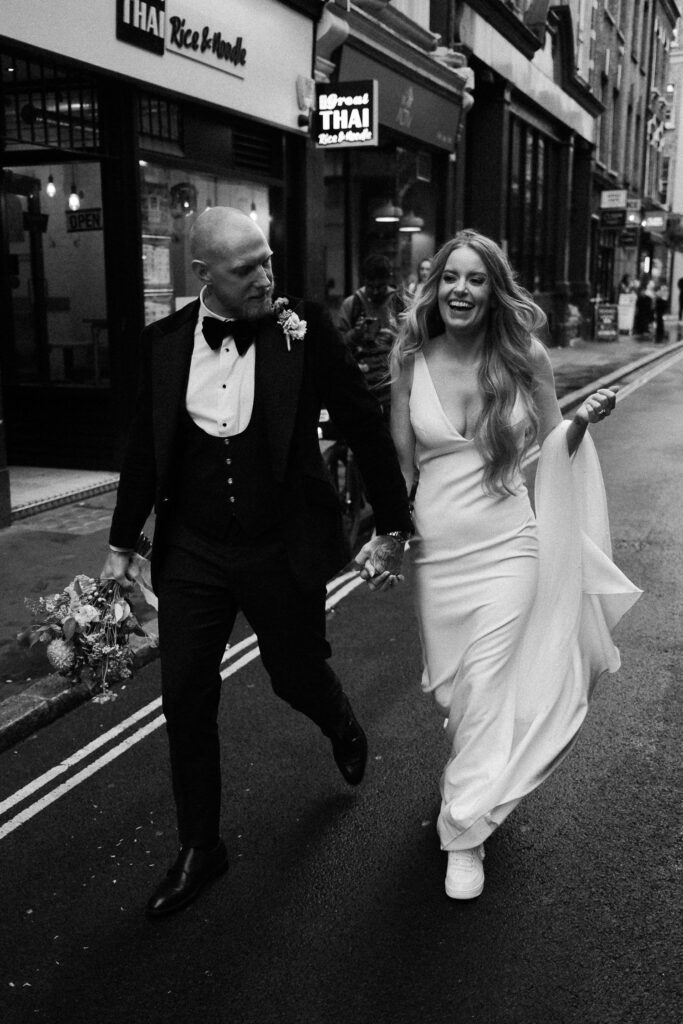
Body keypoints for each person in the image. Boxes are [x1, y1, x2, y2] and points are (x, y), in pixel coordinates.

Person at [101, 207, 412, 919]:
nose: (266, 278)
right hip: (194, 552)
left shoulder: (299, 330)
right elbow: (145, 452)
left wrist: (393, 524)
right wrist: (121, 546)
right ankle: (200, 847)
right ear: (202, 275)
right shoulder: (164, 344)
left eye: (268, 261)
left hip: (279, 544)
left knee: (293, 673)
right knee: (184, 695)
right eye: (247, 270)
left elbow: (362, 425)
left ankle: (338, 719)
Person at [388, 230, 641, 900]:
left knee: (487, 685)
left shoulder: (521, 355)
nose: (459, 290)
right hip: (441, 560)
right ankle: (471, 775)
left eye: (474, 279)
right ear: (435, 285)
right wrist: (384, 536)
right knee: (459, 695)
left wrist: (581, 421)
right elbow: (400, 471)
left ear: (492, 289)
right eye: (449, 278)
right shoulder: (411, 357)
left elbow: (555, 438)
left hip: (508, 549)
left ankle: (463, 833)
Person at [336, 254, 404, 414]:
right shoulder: (352, 304)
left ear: (388, 280)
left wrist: (395, 339)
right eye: (370, 286)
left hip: (393, 385)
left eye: (380, 287)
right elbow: (337, 347)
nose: (374, 291)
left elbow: (417, 342)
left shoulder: (399, 303)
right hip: (360, 383)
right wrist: (355, 334)